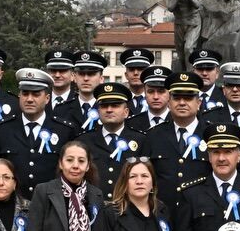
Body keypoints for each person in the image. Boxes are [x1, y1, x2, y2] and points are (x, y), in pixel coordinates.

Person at [0, 67, 79, 199]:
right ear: (19, 96)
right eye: (25, 93)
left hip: (51, 205)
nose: (30, 99)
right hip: (12, 203)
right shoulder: (2, 129)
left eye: (36, 94)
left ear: (47, 98)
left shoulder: (64, 130)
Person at [142, 71, 212, 207]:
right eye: (176, 98)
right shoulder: (153, 135)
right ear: (169, 103)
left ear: (199, 103)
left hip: (201, 210)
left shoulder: (210, 135)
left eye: (188, 98)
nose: (182, 103)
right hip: (163, 211)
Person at [80, 82, 147, 195]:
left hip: (128, 207)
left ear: (126, 112)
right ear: (98, 111)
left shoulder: (141, 140)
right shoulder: (84, 141)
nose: (109, 110)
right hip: (94, 207)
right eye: (104, 106)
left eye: (115, 105)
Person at [128, 65, 173, 132]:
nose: (156, 97)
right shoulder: (131, 123)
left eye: (161, 91)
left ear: (169, 93)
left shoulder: (179, 121)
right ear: (145, 93)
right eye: (150, 91)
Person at [121, 48, 155, 115]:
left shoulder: (156, 99)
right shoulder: (119, 100)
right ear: (126, 75)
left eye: (140, 69)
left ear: (147, 74)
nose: (136, 73)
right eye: (131, 69)